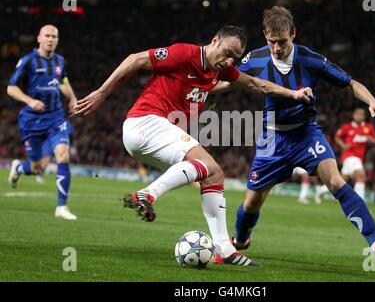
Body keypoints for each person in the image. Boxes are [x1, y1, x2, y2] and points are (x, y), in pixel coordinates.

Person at [74, 25, 313, 266]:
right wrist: (102, 93)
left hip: (149, 136)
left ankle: (225, 249)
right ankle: (147, 194)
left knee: (214, 174)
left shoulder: (218, 72)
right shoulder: (185, 54)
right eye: (227, 52)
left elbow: (254, 83)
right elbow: (135, 59)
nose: (229, 60)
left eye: (234, 57)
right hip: (145, 122)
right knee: (206, 164)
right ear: (215, 40)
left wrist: (292, 94)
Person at [231, 7, 375, 264]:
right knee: (252, 204)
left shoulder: (310, 59)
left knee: (335, 181)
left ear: (293, 34)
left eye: (282, 42)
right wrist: (206, 94)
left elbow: (352, 83)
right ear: (265, 36)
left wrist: (373, 102)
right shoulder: (254, 59)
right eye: (271, 42)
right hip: (272, 140)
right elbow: (227, 79)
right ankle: (241, 239)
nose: (277, 48)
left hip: (307, 135)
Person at [7, 24, 77, 220]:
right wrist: (29, 100)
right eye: (47, 36)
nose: (51, 39)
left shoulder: (60, 61)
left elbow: (62, 81)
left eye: (54, 36)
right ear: (39, 38)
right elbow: (11, 88)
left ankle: (61, 207)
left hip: (56, 118)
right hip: (31, 121)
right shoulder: (28, 61)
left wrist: (72, 98)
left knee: (63, 156)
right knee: (38, 167)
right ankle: (19, 168)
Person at [335, 107, 375, 201]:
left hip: (359, 158)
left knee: (340, 182)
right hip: (349, 156)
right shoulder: (347, 127)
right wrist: (343, 146)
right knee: (361, 176)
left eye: (362, 114)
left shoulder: (368, 127)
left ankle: (321, 190)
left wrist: (370, 139)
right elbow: (337, 137)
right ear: (353, 115)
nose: (359, 116)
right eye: (358, 114)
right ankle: (359, 204)